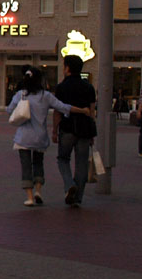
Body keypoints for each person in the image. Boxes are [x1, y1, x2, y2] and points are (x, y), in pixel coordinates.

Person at [6, 66, 91, 207]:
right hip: (40, 137)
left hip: (23, 137)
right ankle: (38, 190)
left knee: (26, 166)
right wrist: (82, 110)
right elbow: (63, 107)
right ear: (40, 80)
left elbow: (9, 110)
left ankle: (29, 197)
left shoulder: (21, 94)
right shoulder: (45, 96)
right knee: (38, 163)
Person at [52, 55, 97, 207]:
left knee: (63, 158)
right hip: (85, 129)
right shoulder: (89, 87)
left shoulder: (61, 87)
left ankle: (69, 184)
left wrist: (54, 130)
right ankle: (77, 198)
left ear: (67, 68)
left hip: (67, 127)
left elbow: (57, 111)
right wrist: (92, 132)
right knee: (82, 163)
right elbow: (92, 112)